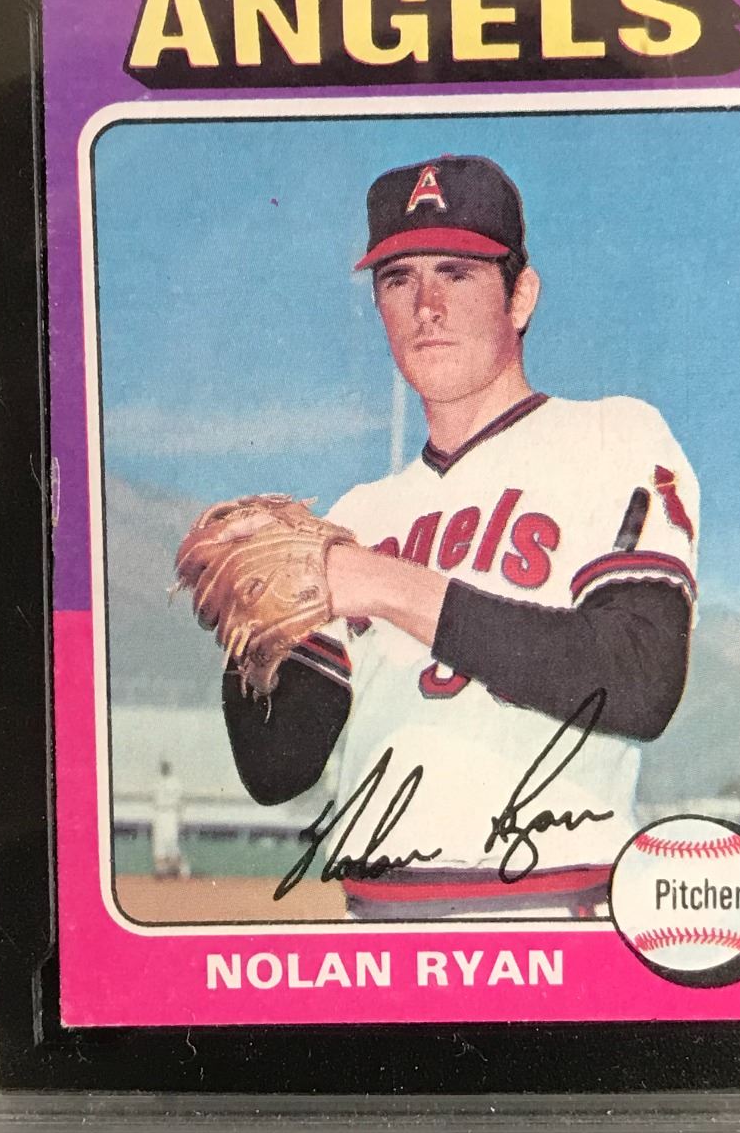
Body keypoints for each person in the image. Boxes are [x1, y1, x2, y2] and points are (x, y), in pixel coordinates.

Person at [221, 154, 699, 920]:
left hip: (553, 910)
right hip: (375, 921)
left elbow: (639, 684)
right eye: (398, 280)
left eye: (458, 273)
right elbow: (279, 769)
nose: (427, 306)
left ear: (521, 295)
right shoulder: (358, 514)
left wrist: (385, 585)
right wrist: (248, 633)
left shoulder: (614, 436)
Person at [150, 758, 189, 880]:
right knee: (159, 841)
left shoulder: (175, 782)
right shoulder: (156, 782)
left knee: (171, 841)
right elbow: (154, 800)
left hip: (171, 812)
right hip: (159, 813)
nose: (164, 768)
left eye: (165, 766)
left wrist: (181, 818)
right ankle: (161, 870)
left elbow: (181, 801)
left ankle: (183, 870)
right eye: (162, 766)